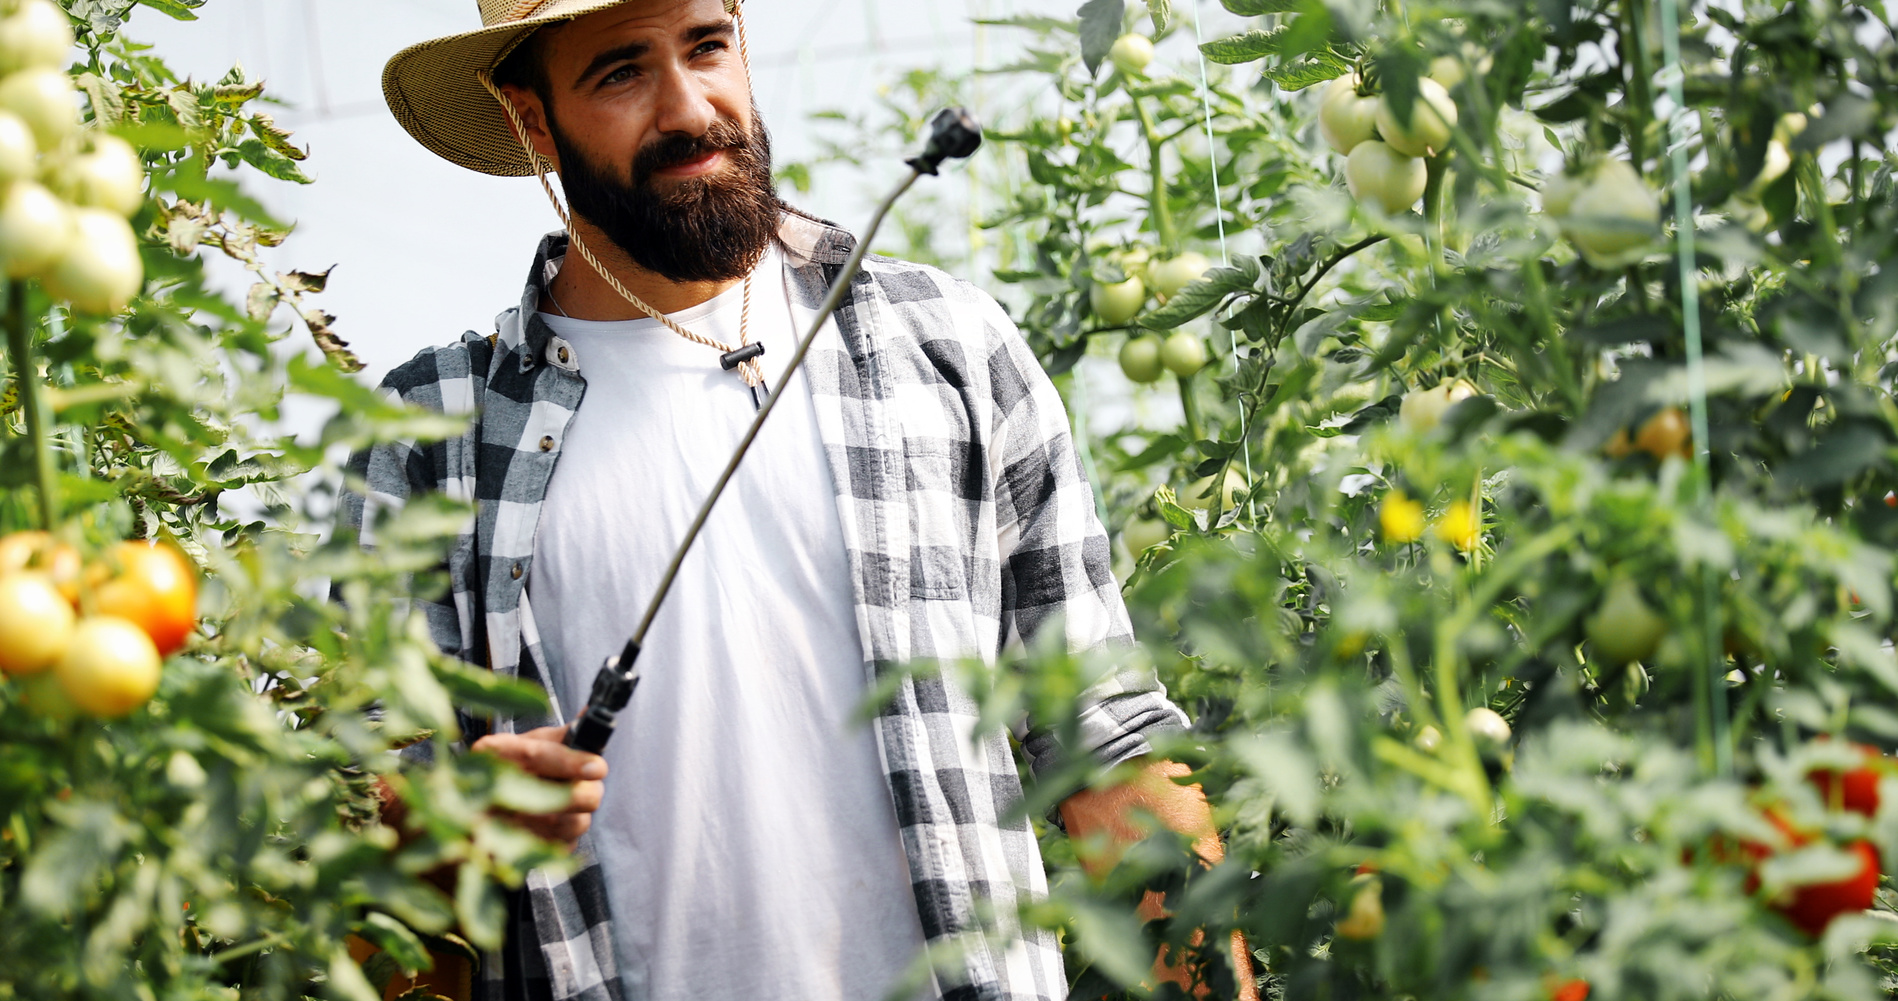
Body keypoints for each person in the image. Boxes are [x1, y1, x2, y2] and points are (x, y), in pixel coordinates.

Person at [355, 1, 1254, 999]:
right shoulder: (435, 433)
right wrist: (439, 817)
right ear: (531, 120)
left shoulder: (945, 344)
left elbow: (1109, 739)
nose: (688, 106)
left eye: (706, 45)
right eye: (621, 72)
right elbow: (361, 838)